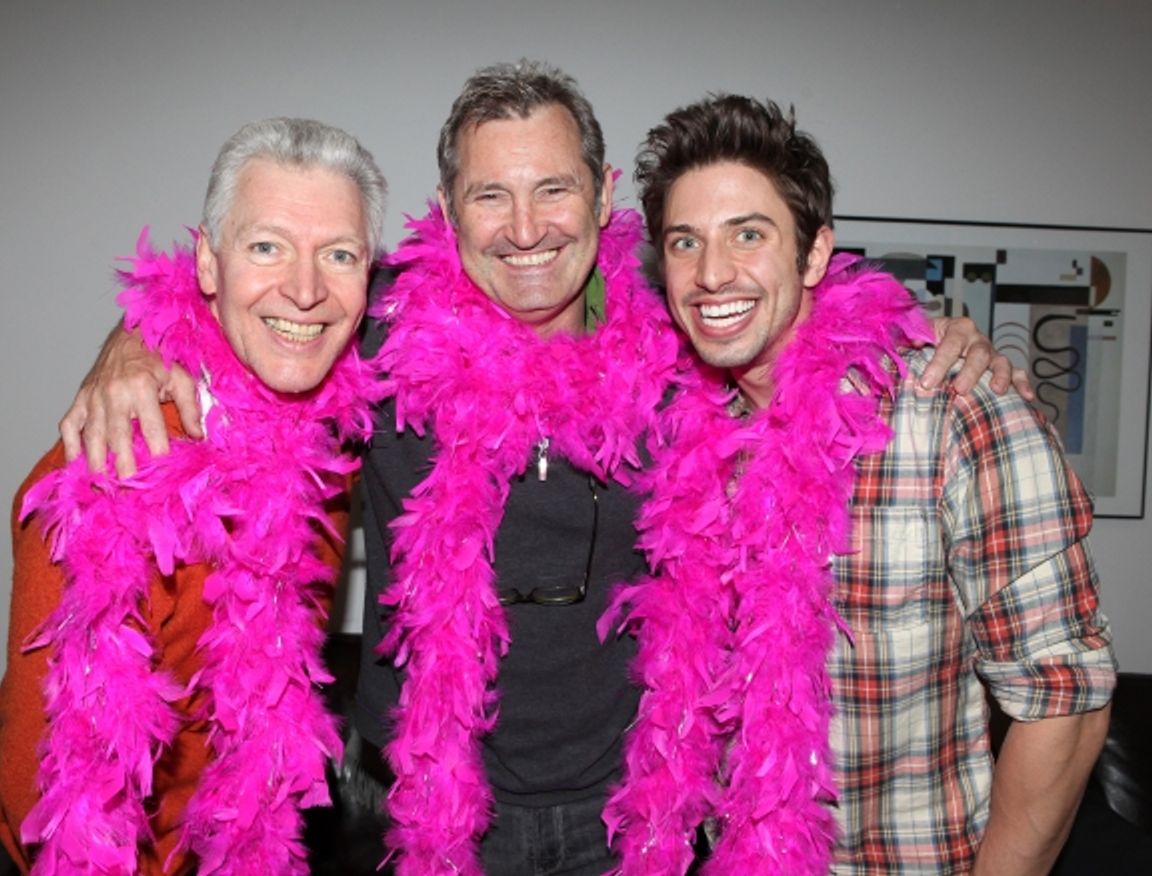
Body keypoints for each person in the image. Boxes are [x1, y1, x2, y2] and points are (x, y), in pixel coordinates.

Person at [55, 63, 1024, 874]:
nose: (526, 228)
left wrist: (924, 331)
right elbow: (233, 298)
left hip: (637, 811)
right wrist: (132, 346)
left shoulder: (684, 330)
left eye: (554, 189)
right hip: (426, 815)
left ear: (603, 198)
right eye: (491, 194)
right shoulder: (376, 328)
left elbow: (798, 312)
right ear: (446, 212)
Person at [609, 94, 1116, 874]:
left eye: (749, 233)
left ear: (814, 255)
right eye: (685, 242)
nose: (712, 274)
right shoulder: (676, 425)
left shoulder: (953, 411)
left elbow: (1066, 702)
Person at [0, 118, 387, 875]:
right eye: (266, 246)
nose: (305, 291)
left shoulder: (325, 443)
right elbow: (40, 805)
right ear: (207, 263)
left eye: (338, 255)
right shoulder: (107, 474)